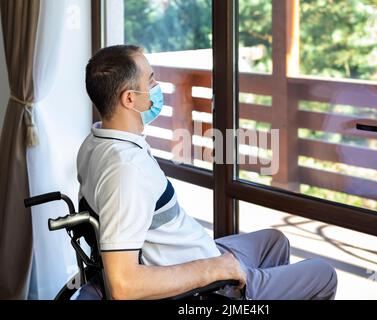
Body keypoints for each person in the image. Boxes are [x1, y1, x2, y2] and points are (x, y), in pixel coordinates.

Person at [77, 44, 338, 300]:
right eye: (151, 80)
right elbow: (124, 286)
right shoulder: (125, 170)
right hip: (205, 285)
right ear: (130, 98)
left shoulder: (95, 142)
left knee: (274, 241)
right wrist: (214, 268)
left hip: (197, 253)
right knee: (324, 274)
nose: (157, 88)